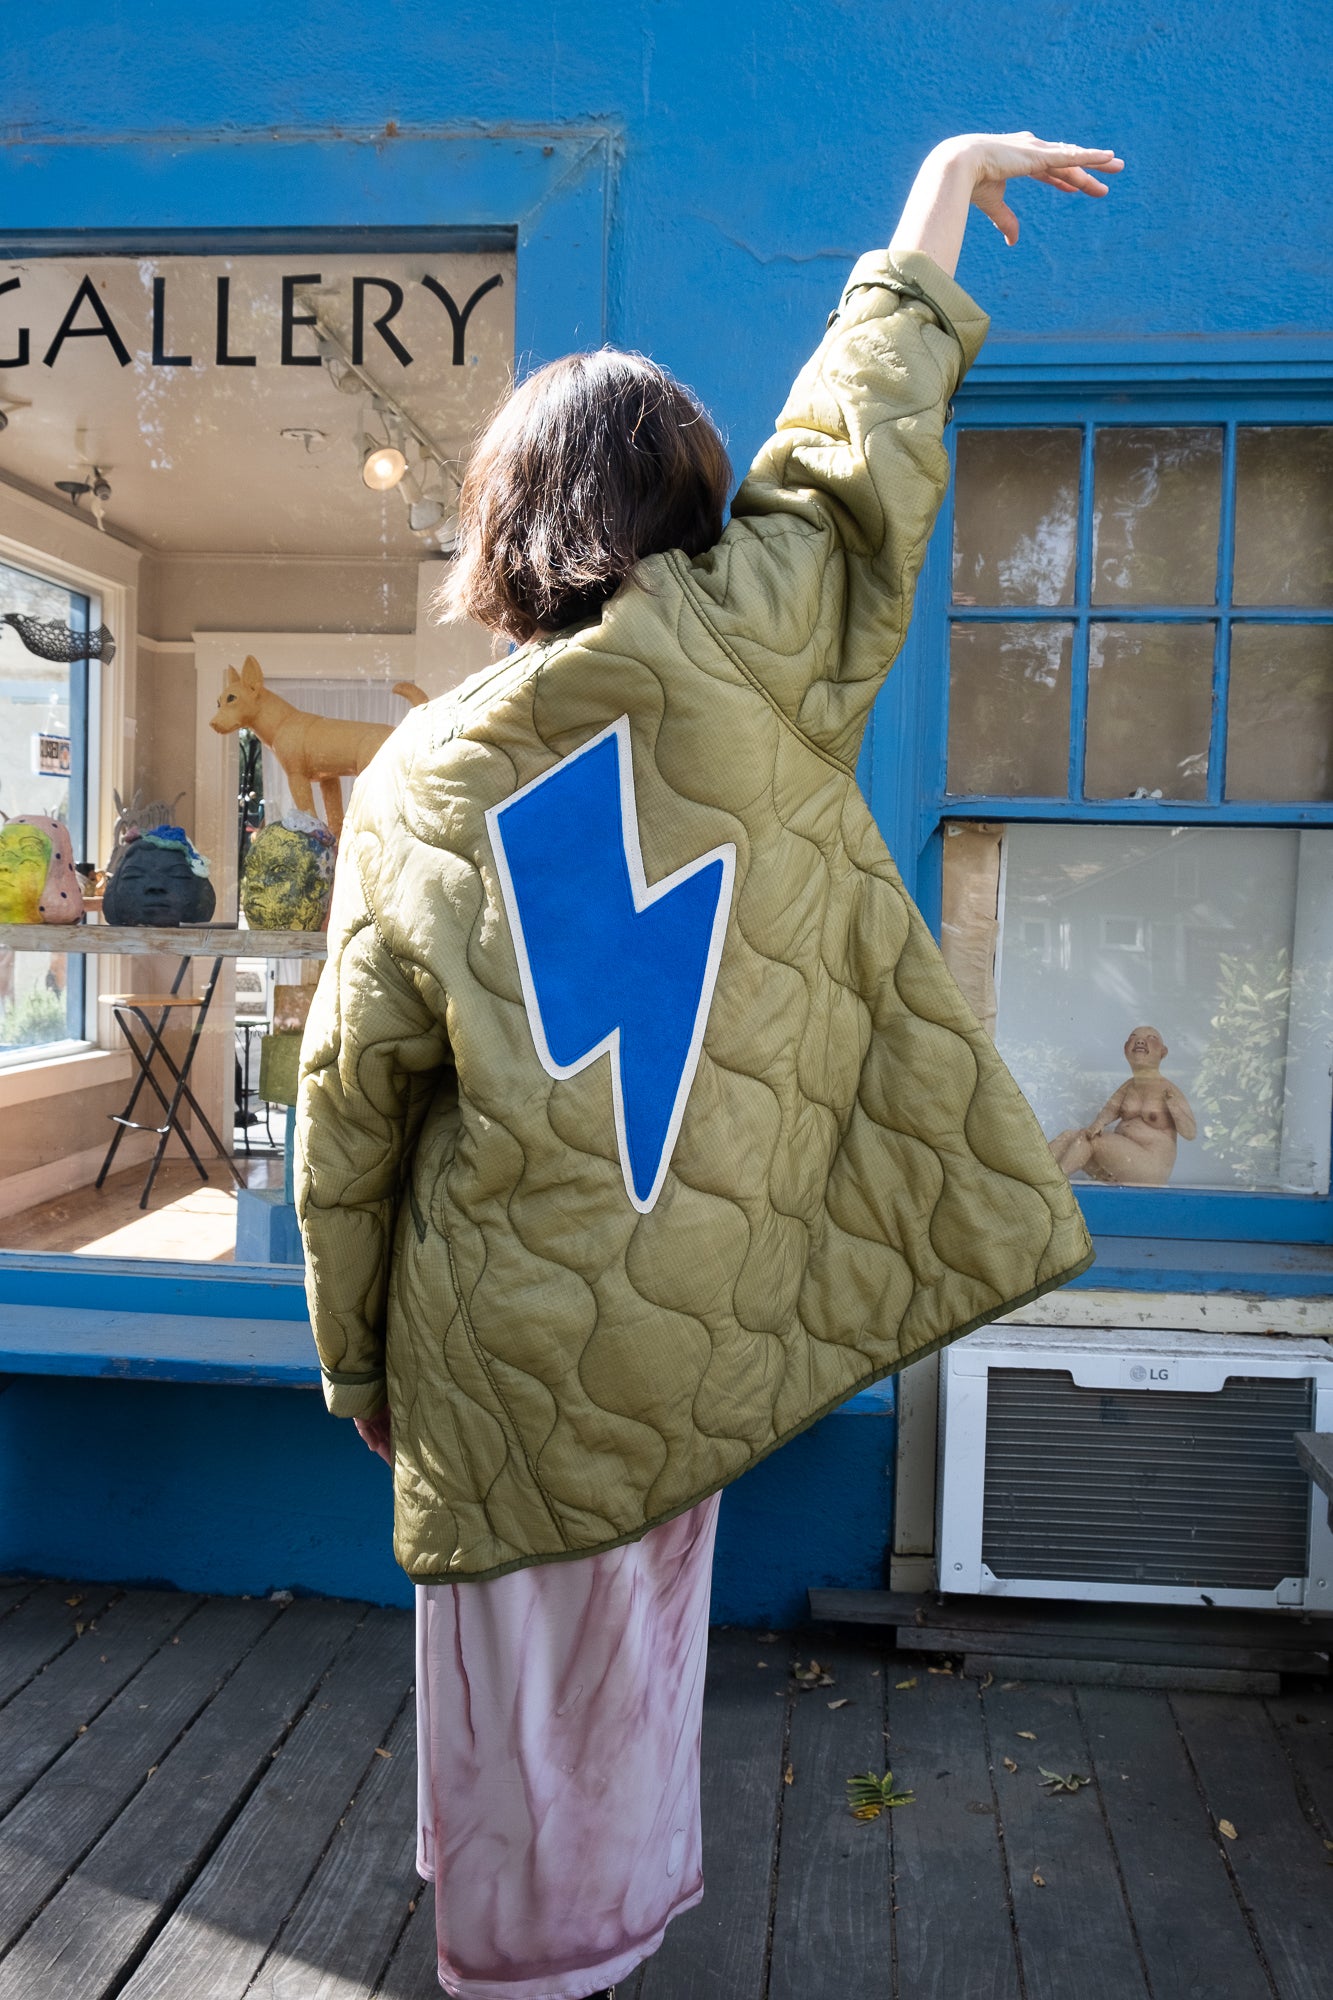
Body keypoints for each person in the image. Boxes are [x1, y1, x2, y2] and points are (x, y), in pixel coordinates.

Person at [295, 130, 1119, 2000]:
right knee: (637, 1659)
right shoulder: (756, 646)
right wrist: (928, 196)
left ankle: (526, 1964)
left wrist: (356, 1355)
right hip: (704, 1304)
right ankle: (609, 1935)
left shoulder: (426, 778)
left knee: (508, 1679)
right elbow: (852, 445)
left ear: (504, 522)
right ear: (686, 505)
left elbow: (351, 1113)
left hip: (497, 1325)